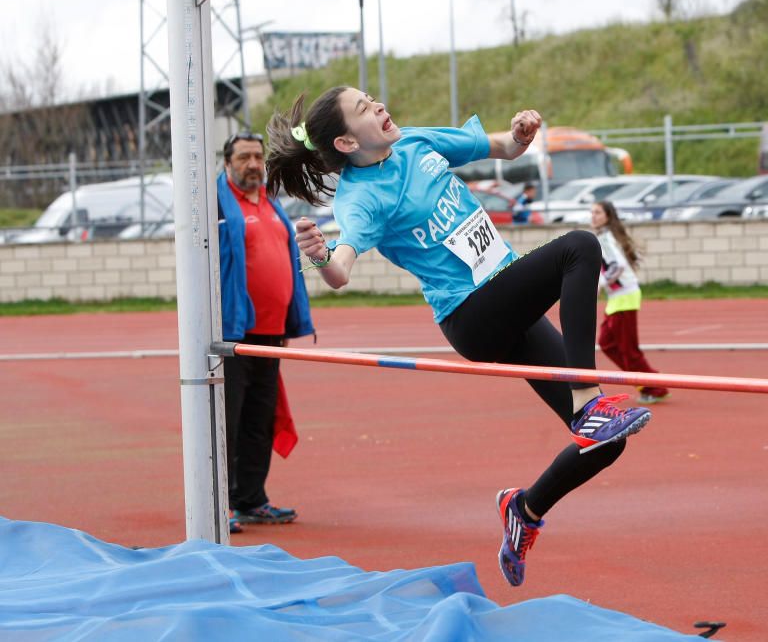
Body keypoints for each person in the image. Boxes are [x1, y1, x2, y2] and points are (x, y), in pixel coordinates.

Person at [265, 86, 653, 587]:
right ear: (344, 143)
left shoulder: (415, 143)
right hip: (473, 314)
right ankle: (587, 399)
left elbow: (505, 149)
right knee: (578, 247)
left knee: (606, 444)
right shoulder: (361, 197)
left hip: (507, 295)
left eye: (373, 99)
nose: (380, 106)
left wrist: (519, 134)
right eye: (364, 109)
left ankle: (525, 509)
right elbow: (340, 270)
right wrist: (318, 255)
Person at [217, 131, 315, 533]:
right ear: (227, 164)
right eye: (243, 157)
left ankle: (251, 500)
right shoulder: (217, 207)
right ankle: (218, 504)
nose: (253, 164)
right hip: (235, 335)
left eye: (258, 156)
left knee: (259, 419)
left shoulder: (272, 205)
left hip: (271, 335)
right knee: (228, 421)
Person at [590, 201, 669, 404]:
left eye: (597, 212)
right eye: (592, 212)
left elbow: (618, 267)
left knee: (629, 351)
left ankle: (655, 386)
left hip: (625, 297)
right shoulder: (606, 237)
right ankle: (644, 381)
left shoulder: (606, 239)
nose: (593, 216)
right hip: (618, 299)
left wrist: (600, 284)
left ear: (607, 215)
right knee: (606, 344)